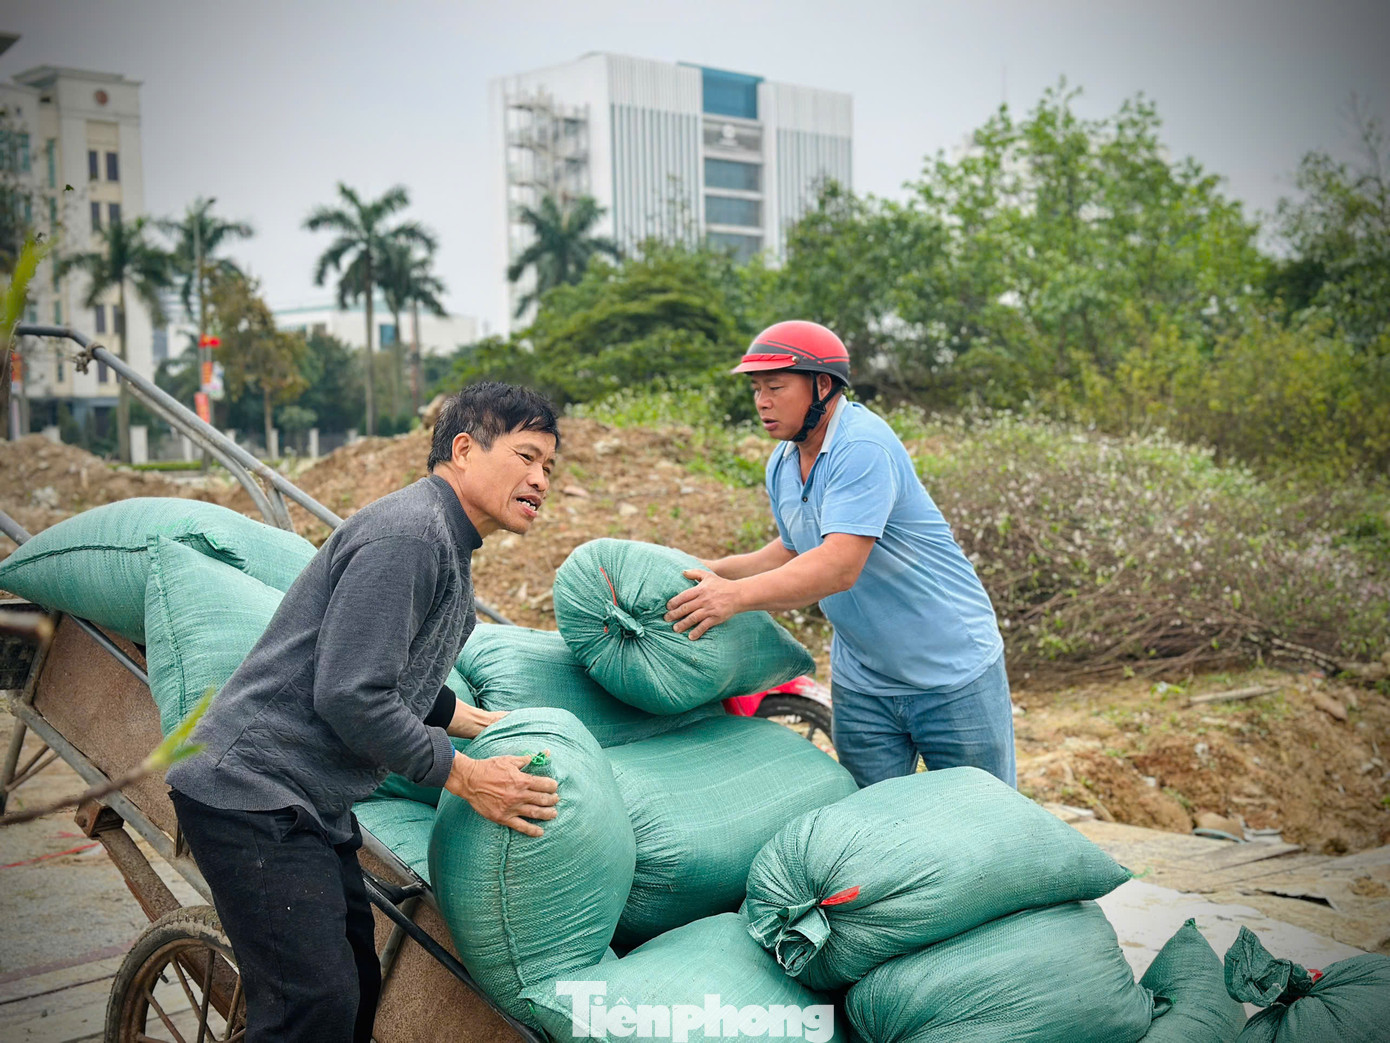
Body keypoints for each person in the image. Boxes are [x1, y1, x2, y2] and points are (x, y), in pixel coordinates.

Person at [166, 382, 562, 1042]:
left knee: (352, 989)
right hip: (253, 793)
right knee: (313, 1006)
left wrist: (476, 721)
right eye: (526, 456)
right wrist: (466, 775)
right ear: (464, 449)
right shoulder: (410, 535)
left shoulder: (446, 541)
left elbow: (388, 671)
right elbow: (350, 692)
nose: (539, 478)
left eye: (549, 466)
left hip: (307, 801)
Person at [664, 321, 1015, 789]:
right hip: (865, 682)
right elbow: (792, 548)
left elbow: (838, 565)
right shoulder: (784, 462)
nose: (762, 401)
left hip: (949, 673)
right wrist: (704, 571)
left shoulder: (861, 447)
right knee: (873, 828)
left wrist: (734, 597)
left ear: (822, 386)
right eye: (756, 389)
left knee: (982, 822)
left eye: (775, 387)